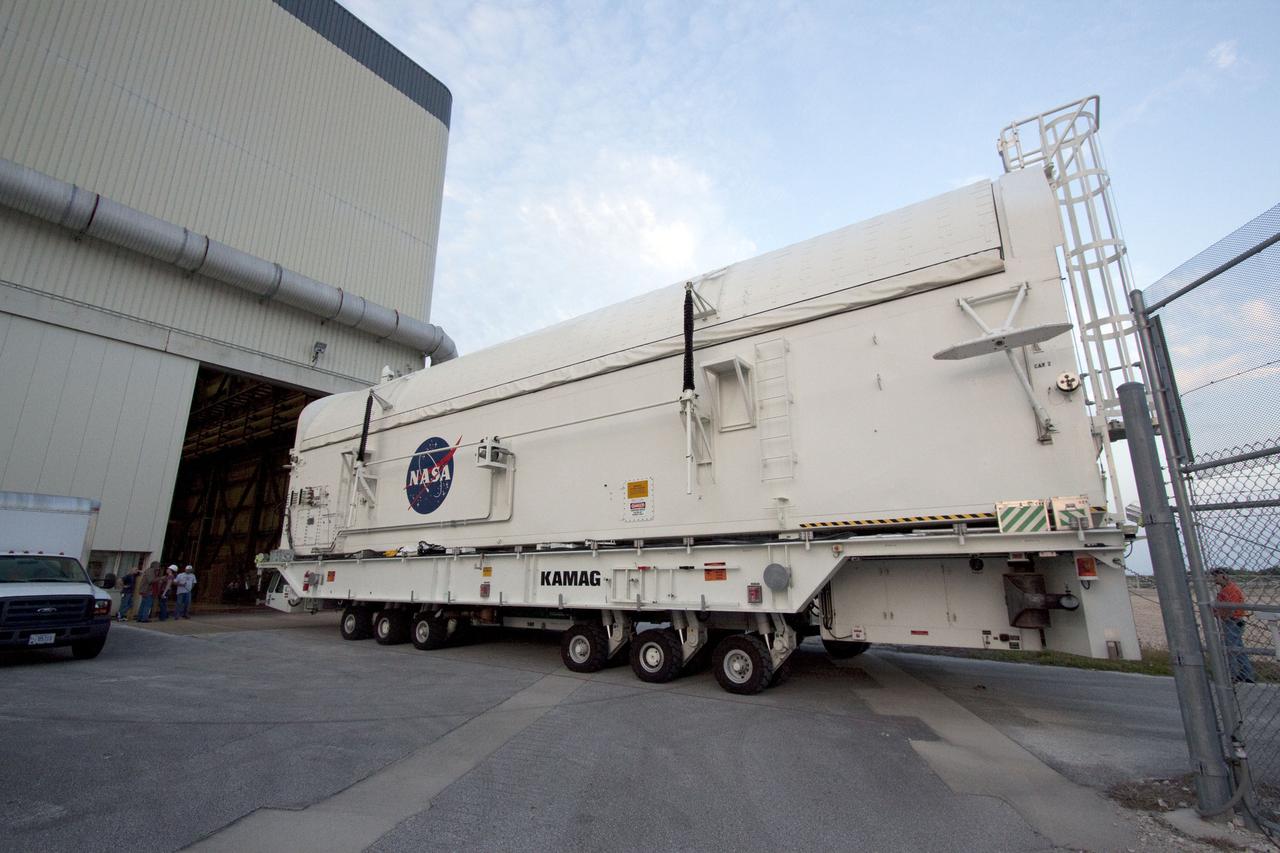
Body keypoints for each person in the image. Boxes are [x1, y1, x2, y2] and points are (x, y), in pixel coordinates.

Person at [1211, 568, 1255, 684]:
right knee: (1237, 648)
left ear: (1224, 576)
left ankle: (1233, 675)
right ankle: (1246, 674)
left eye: (1216, 576)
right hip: (1231, 621)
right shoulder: (1224, 589)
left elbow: (1231, 607)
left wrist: (1222, 615)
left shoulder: (1230, 589)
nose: (1214, 579)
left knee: (1231, 648)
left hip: (1232, 621)